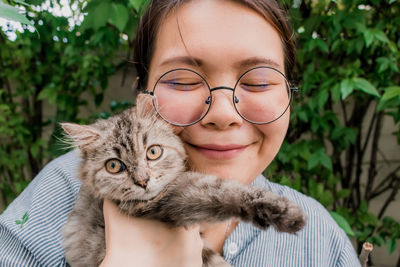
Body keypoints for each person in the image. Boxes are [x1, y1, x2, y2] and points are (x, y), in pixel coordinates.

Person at [0, 0, 361, 266]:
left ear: (289, 94)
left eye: (258, 81)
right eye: (183, 81)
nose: (223, 114)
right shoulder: (61, 191)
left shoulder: (319, 241)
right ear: (143, 97)